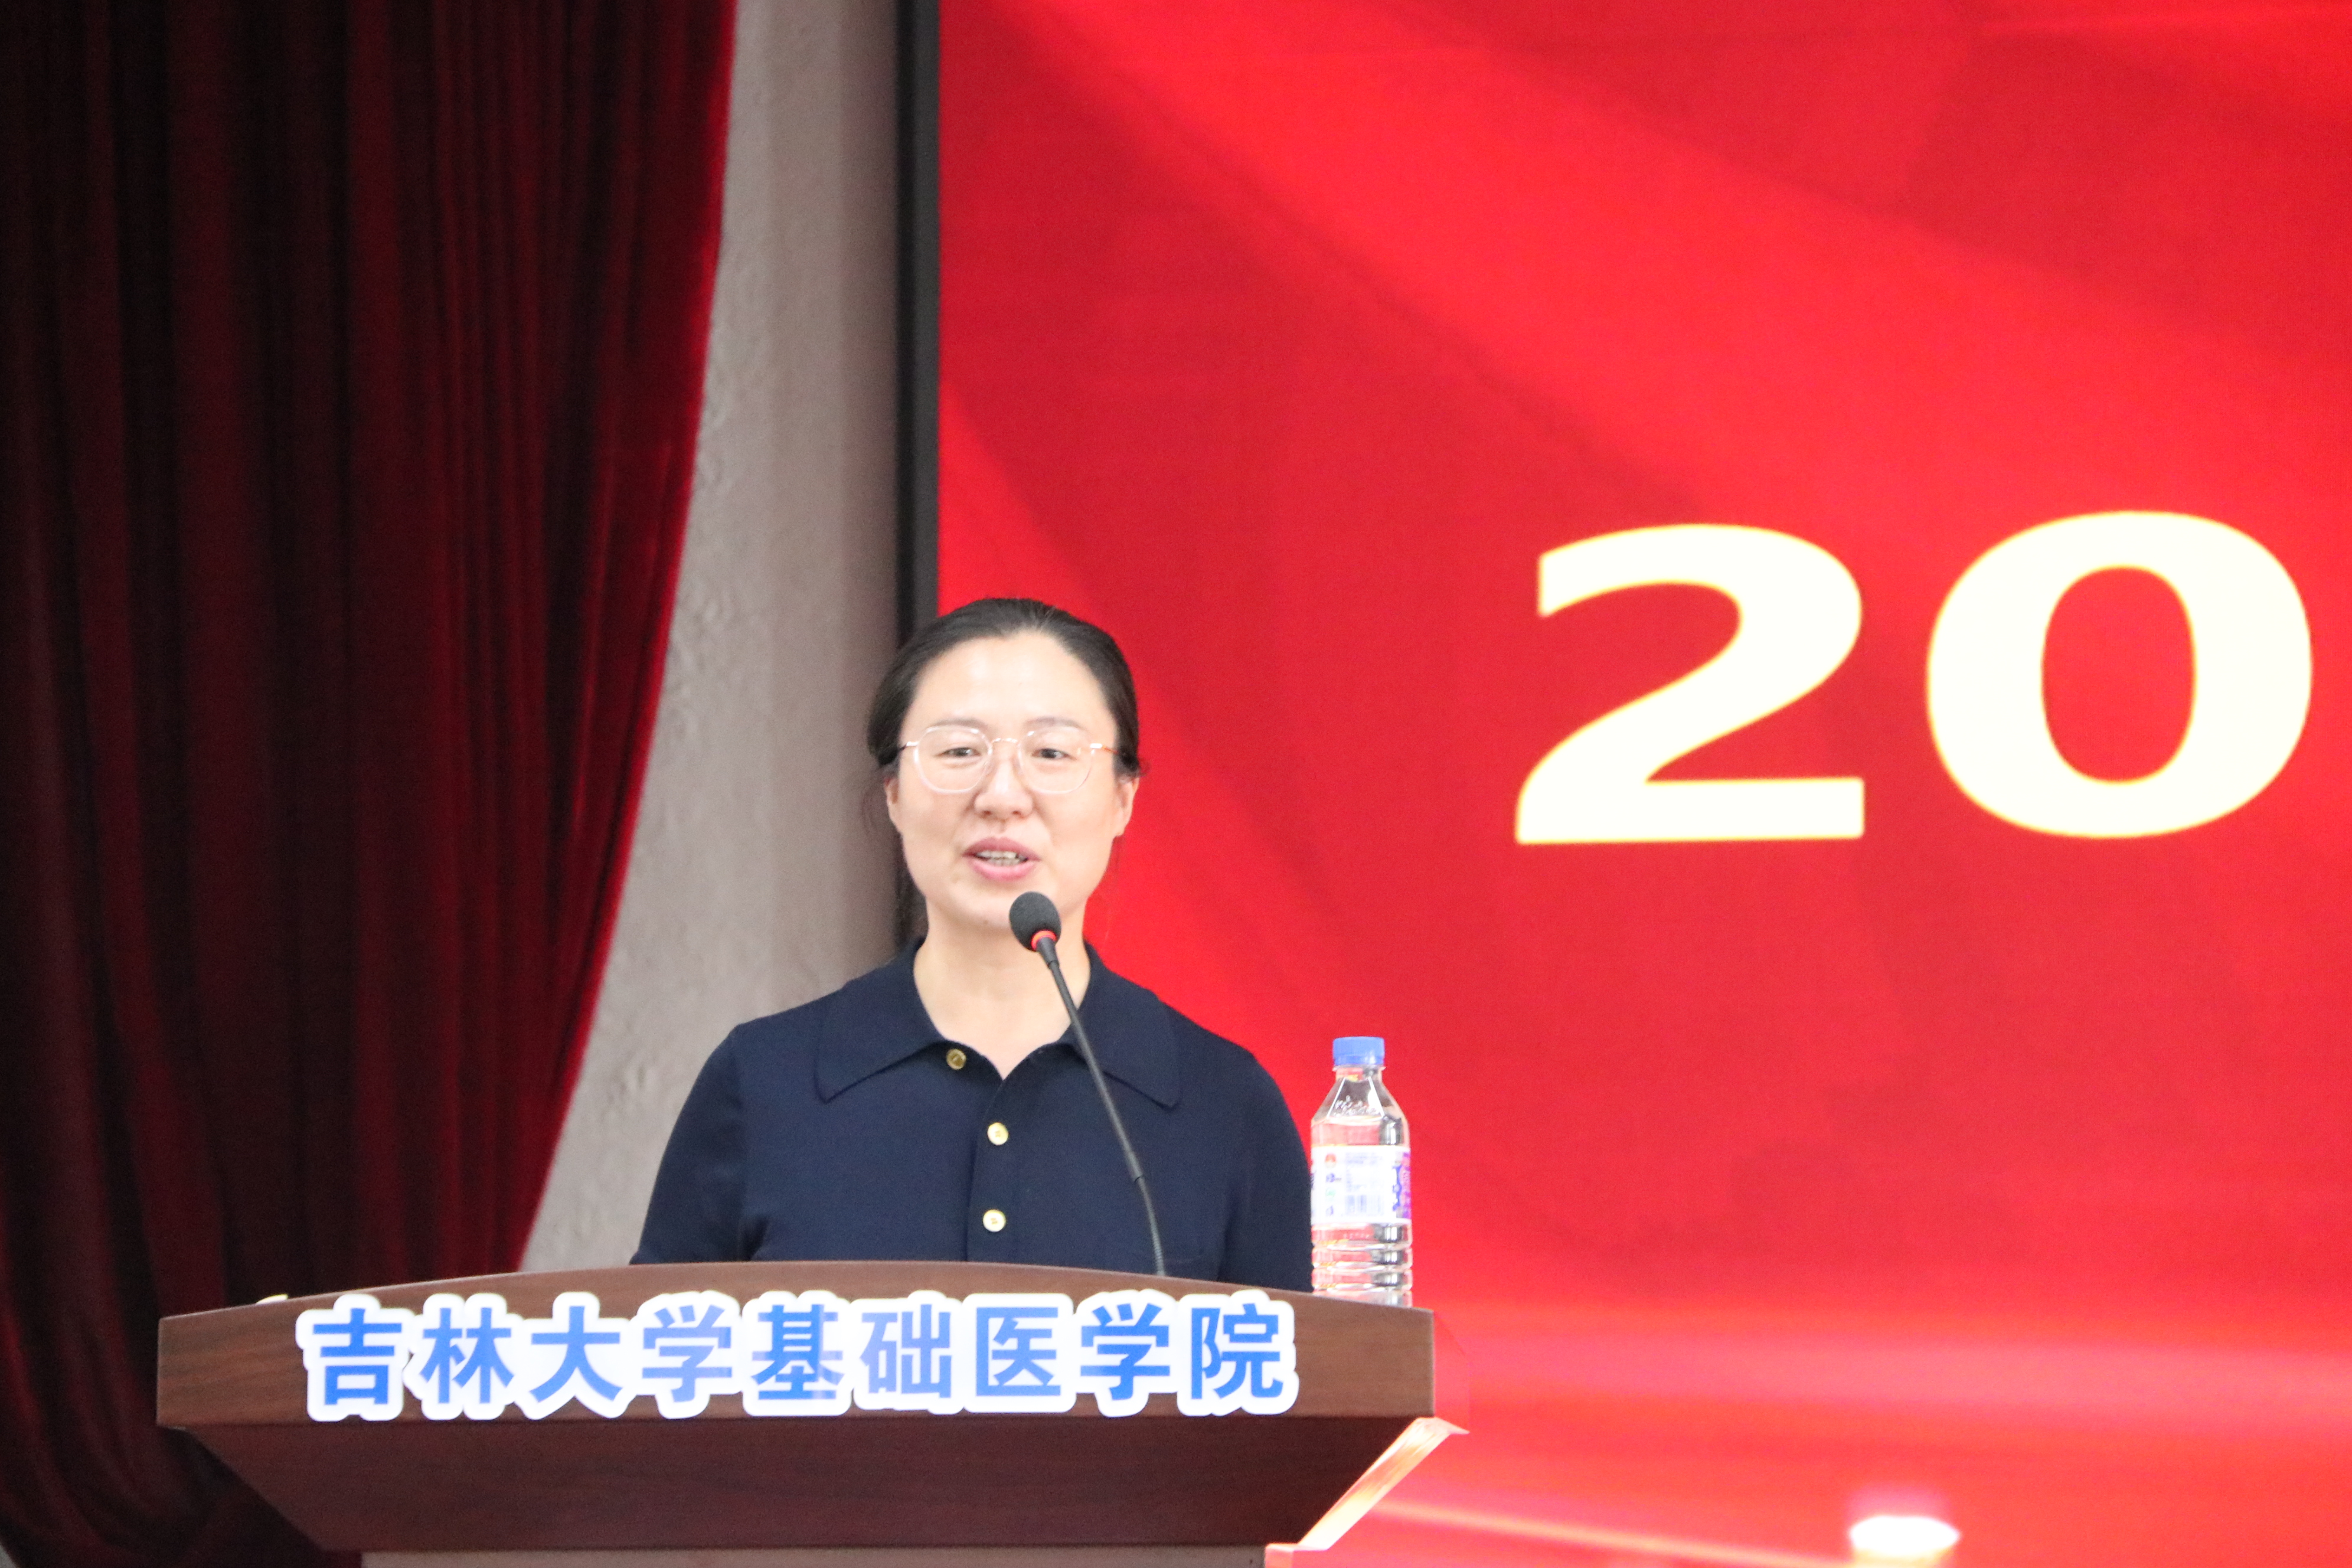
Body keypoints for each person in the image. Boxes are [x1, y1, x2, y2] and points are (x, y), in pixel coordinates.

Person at [632, 597, 1310, 1288]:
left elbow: (1311, 1356)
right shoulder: (763, 1082)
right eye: (959, 751)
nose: (1002, 796)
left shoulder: (1223, 1103)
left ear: (1123, 799)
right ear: (894, 792)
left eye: (1052, 753)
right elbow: (656, 1345)